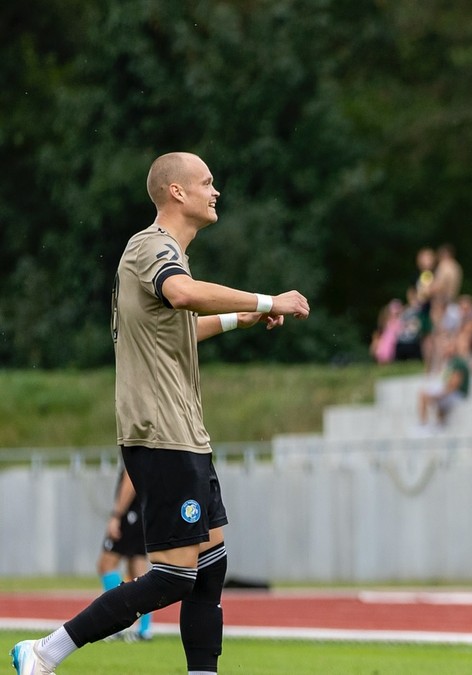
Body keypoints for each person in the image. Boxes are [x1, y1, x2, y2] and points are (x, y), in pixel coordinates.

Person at [11, 151, 310, 675]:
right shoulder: (151, 248)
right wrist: (268, 301)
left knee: (211, 569)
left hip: (186, 434)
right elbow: (184, 295)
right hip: (161, 434)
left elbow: (181, 331)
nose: (215, 192)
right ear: (177, 192)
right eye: (207, 182)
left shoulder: (166, 254)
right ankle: (45, 650)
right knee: (174, 576)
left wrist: (238, 318)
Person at [96, 467, 152, 642]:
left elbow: (130, 479)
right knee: (138, 570)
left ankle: (116, 622)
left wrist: (116, 515)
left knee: (106, 564)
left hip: (130, 514)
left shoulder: (133, 443)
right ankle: (144, 629)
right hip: (141, 512)